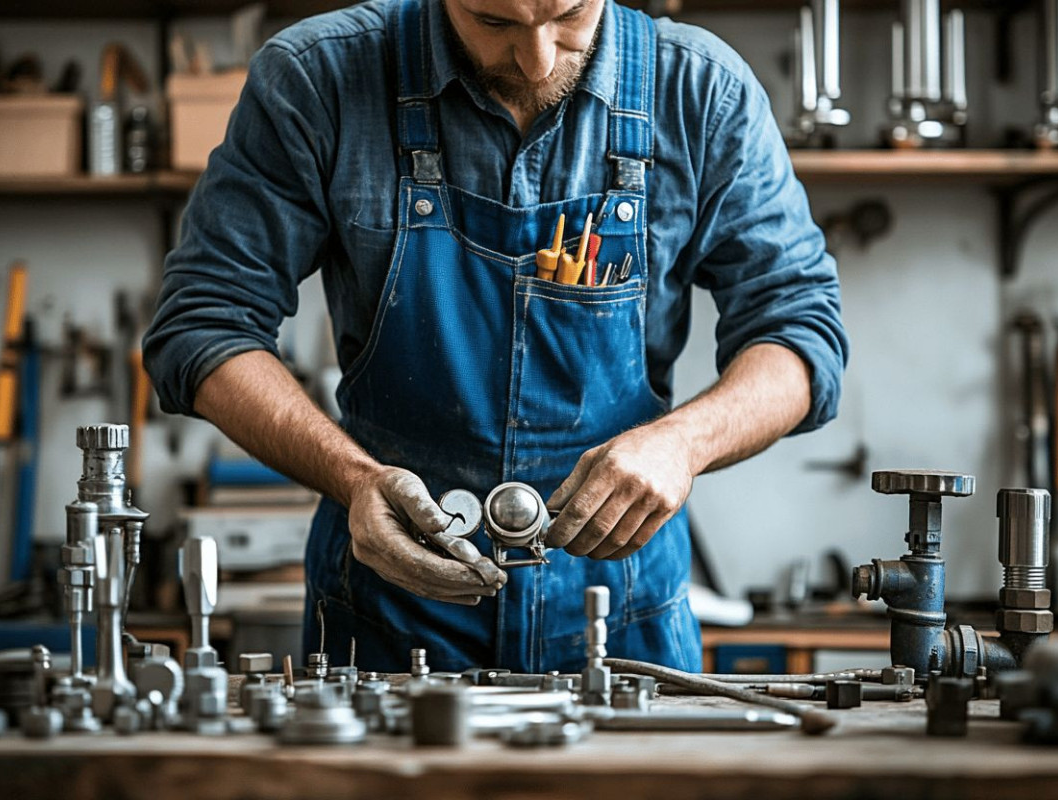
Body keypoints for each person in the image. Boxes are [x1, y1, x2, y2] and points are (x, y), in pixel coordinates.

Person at [143, 0, 848, 674]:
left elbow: (799, 330)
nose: (537, 61)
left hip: (622, 609)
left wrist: (682, 444)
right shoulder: (317, 78)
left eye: (570, 16)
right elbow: (205, 322)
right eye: (492, 21)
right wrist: (355, 480)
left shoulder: (702, 91)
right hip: (391, 607)